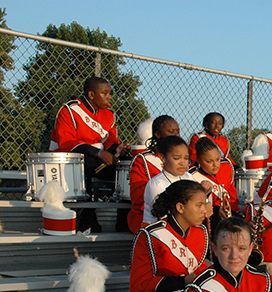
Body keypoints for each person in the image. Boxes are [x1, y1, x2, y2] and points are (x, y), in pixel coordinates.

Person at [49, 76, 130, 232]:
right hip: (69, 162)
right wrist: (99, 153)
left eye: (110, 93)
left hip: (96, 159)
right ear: (91, 95)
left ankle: (124, 219)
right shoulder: (69, 110)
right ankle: (86, 216)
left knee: (126, 165)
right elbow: (66, 143)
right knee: (83, 161)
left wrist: (118, 149)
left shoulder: (109, 115)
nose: (109, 97)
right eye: (105, 93)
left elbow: (109, 140)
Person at [127, 115, 180, 233]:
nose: (176, 135)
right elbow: (139, 199)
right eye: (171, 131)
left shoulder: (181, 160)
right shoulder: (143, 160)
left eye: (178, 131)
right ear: (157, 134)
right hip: (151, 216)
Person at [143, 136, 204, 226]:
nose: (182, 162)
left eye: (186, 158)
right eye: (176, 158)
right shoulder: (156, 184)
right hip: (160, 230)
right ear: (163, 158)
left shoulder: (188, 177)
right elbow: (165, 216)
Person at [189, 137, 239, 232]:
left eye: (217, 159)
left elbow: (232, 197)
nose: (215, 164)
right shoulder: (192, 176)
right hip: (209, 220)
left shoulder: (227, 167)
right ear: (198, 160)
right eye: (209, 161)